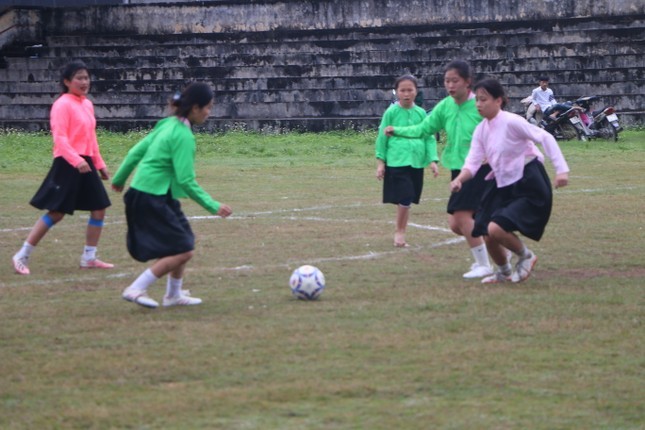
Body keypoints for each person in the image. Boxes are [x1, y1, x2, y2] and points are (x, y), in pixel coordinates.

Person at [111, 82, 232, 309]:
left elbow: (136, 151)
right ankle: (136, 288)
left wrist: (119, 179)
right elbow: (186, 181)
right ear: (195, 108)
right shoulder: (183, 136)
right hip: (150, 197)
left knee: (184, 240)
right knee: (184, 249)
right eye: (208, 107)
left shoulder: (167, 124)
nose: (209, 112)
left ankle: (173, 295)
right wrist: (212, 205)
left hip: (154, 194)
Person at [449, 78, 569, 283]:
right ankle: (503, 272)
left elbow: (545, 137)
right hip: (501, 183)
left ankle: (526, 256)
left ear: (499, 101)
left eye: (483, 99)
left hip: (528, 182)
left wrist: (561, 170)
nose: (478, 104)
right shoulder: (481, 130)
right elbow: (473, 162)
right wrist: (460, 179)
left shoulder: (512, 121)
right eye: (476, 100)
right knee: (486, 230)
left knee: (496, 229)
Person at [384, 60, 495, 279]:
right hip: (457, 168)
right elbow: (424, 128)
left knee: (464, 217)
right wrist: (397, 130)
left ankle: (485, 263)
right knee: (457, 224)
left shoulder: (479, 105)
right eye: (447, 81)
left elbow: (499, 129)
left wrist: (492, 154)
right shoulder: (445, 106)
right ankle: (508, 253)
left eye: (455, 81)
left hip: (480, 168)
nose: (450, 85)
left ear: (468, 82)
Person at [11, 60, 113, 275]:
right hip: (68, 163)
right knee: (56, 213)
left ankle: (89, 257)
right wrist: (76, 160)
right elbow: (60, 139)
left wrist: (99, 163)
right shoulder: (62, 104)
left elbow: (91, 137)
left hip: (86, 162)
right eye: (79, 78)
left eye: (86, 77)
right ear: (67, 82)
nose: (84, 82)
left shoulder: (86, 104)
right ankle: (22, 255)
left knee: (99, 207)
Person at [375, 74, 439, 247]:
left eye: (410, 90)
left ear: (416, 92)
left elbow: (429, 137)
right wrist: (380, 162)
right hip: (397, 161)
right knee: (406, 196)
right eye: (402, 90)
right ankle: (400, 233)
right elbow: (382, 137)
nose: (406, 94)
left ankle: (400, 230)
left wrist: (432, 160)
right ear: (397, 92)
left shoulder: (420, 113)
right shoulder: (391, 112)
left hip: (417, 162)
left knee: (408, 199)